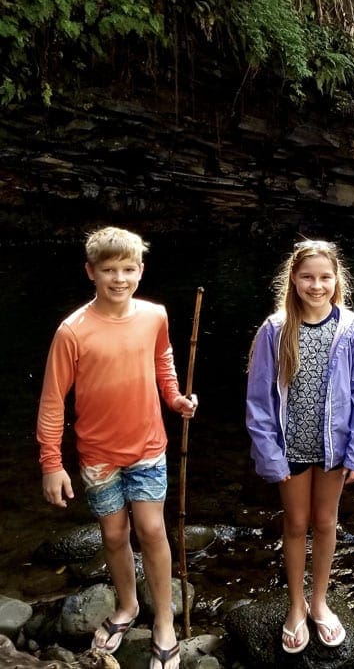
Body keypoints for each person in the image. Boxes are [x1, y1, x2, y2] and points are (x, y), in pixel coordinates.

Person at [37, 227, 198, 669]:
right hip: (96, 455)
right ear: (91, 272)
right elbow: (52, 400)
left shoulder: (155, 315)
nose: (119, 278)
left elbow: (162, 359)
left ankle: (164, 619)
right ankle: (127, 606)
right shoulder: (72, 331)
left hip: (148, 445)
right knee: (113, 534)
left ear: (141, 271)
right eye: (109, 270)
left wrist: (175, 398)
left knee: (151, 530)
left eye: (128, 269)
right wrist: (52, 462)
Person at [245, 240, 354, 654]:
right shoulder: (274, 328)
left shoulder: (353, 328)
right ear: (293, 279)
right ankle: (294, 605)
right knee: (294, 524)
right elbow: (259, 398)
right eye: (307, 277)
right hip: (291, 449)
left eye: (324, 277)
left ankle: (319, 600)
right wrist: (269, 453)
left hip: (334, 449)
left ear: (337, 279)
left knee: (325, 523)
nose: (316, 285)